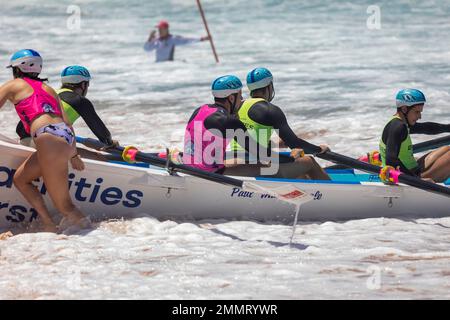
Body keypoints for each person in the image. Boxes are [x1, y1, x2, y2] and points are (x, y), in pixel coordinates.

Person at [0, 49, 90, 232]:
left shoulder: (13, 85)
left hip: (48, 140)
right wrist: (73, 154)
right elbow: (66, 124)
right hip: (61, 138)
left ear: (16, 68)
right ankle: (49, 224)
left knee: (65, 206)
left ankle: (94, 237)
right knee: (20, 179)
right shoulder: (49, 89)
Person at [182, 75, 326, 179]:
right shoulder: (229, 121)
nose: (241, 100)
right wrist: (291, 159)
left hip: (189, 168)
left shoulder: (199, 110)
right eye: (239, 96)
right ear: (231, 98)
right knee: (308, 162)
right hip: (213, 174)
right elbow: (263, 155)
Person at [229, 68, 330, 180]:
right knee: (309, 161)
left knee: (300, 173)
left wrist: (277, 143)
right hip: (255, 166)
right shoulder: (270, 110)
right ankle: (333, 194)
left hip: (232, 161)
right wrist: (319, 150)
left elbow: (248, 137)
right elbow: (295, 144)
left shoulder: (238, 106)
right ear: (269, 86)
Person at [16, 65, 118, 160]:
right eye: (87, 84)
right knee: (98, 157)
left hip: (24, 140)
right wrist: (109, 143)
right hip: (44, 145)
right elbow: (101, 132)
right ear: (83, 84)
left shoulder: (50, 93)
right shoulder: (80, 101)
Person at [379, 89, 450, 182]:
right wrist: (417, 179)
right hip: (407, 178)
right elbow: (391, 160)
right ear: (404, 109)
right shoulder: (398, 127)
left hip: (412, 171)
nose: (419, 116)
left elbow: (427, 127)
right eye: (417, 112)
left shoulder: (401, 123)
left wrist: (448, 128)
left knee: (446, 149)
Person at [144, 20, 210, 62]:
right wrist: (150, 38)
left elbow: (187, 40)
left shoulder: (173, 39)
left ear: (166, 29)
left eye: (161, 29)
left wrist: (202, 39)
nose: (159, 31)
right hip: (159, 65)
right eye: (159, 29)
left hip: (169, 65)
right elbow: (147, 49)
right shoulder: (156, 40)